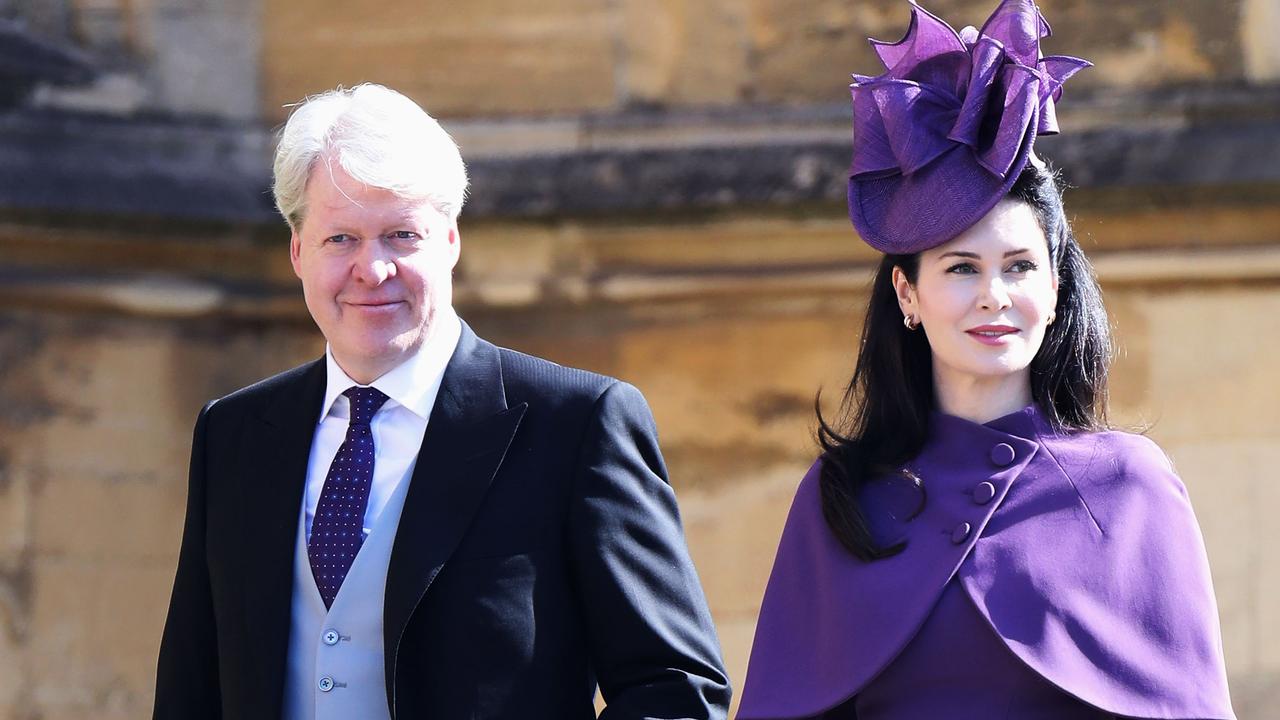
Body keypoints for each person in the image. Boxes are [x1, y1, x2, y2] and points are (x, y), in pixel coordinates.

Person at [153, 83, 731, 720]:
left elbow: (675, 692)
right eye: (339, 239)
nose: (371, 271)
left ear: (450, 241)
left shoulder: (576, 425)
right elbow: (191, 689)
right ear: (297, 252)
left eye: (401, 235)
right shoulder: (233, 433)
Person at [736, 1, 1235, 718]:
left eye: (1021, 267)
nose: (995, 296)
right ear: (908, 293)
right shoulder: (840, 495)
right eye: (962, 269)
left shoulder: (1132, 486)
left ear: (1057, 289)